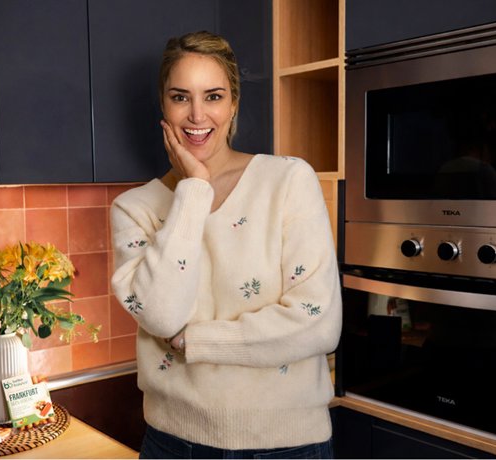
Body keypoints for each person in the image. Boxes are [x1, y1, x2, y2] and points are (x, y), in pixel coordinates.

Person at [110, 30, 342, 459]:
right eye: (180, 97)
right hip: (172, 444)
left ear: (233, 103)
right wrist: (194, 190)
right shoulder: (134, 208)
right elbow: (161, 315)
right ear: (163, 105)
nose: (197, 114)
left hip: (286, 448)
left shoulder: (288, 181)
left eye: (213, 96)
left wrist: (194, 341)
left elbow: (318, 324)